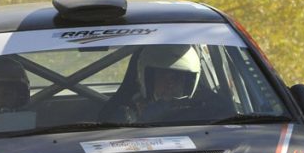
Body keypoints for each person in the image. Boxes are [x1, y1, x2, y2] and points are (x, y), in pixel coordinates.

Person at [100, 44, 233, 124]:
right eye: (163, 76)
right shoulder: (124, 115)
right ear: (146, 78)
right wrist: (142, 122)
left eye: (177, 78)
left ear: (190, 82)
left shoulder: (210, 110)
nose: (170, 85)